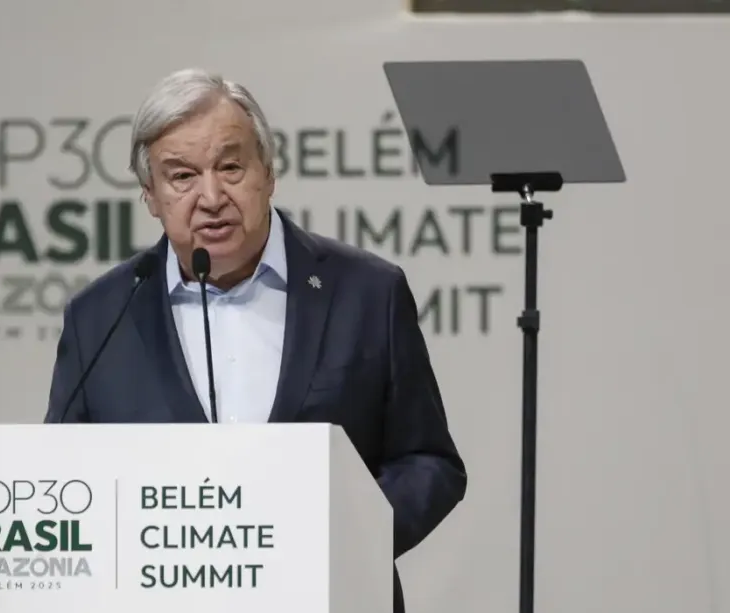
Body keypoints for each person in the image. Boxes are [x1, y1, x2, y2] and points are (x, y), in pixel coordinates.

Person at [45, 68, 467, 613]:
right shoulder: (99, 317)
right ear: (150, 196)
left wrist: (344, 538)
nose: (211, 196)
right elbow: (61, 486)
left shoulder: (367, 292)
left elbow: (428, 460)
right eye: (182, 176)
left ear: (269, 172)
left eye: (230, 167)